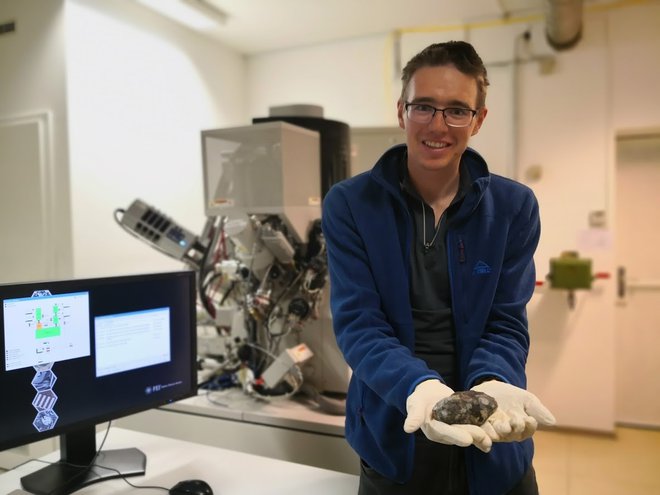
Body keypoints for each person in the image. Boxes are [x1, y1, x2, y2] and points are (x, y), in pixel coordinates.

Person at [321, 40, 556, 495]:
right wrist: (420, 390)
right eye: (423, 106)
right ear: (401, 110)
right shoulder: (351, 205)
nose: (437, 125)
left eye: (456, 110)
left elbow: (506, 322)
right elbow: (358, 325)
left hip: (494, 439)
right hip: (396, 430)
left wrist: (491, 385)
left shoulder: (513, 207)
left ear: (479, 119)